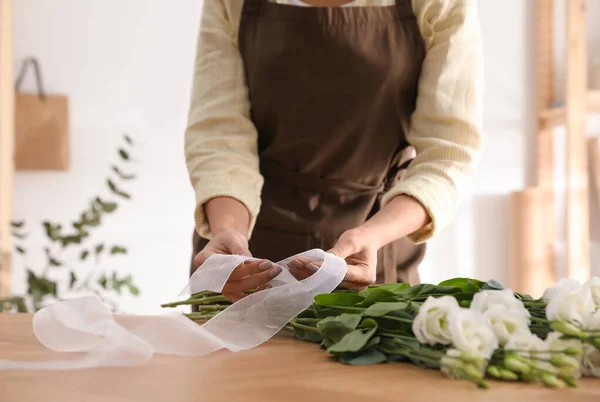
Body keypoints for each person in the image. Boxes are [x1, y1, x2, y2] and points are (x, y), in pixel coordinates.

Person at [185, 0, 483, 302]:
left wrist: (372, 235)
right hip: (244, 266)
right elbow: (220, 136)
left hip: (372, 255)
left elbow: (448, 154)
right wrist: (228, 231)